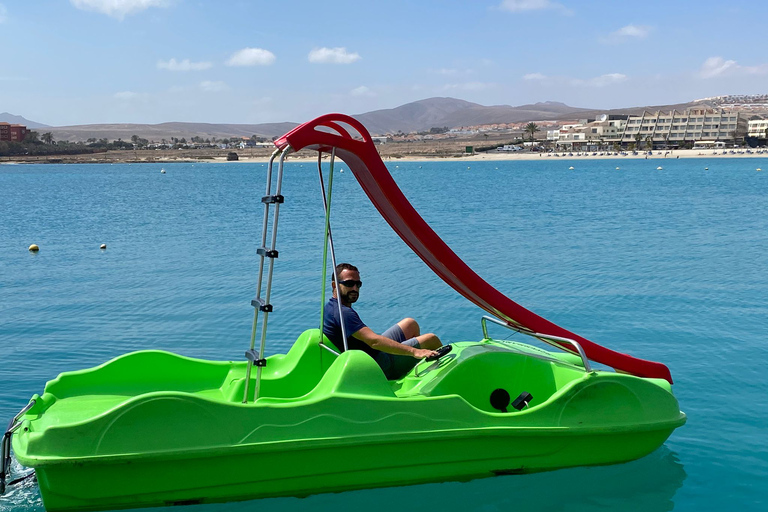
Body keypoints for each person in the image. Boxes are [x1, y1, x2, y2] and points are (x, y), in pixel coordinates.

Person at [323, 263, 442, 380]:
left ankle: (414, 368)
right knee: (431, 340)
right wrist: (415, 352)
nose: (355, 288)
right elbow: (374, 341)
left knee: (410, 324)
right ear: (334, 285)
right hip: (377, 365)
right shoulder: (344, 313)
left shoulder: (331, 307)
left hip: (372, 353)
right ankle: (441, 379)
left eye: (358, 284)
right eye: (349, 283)